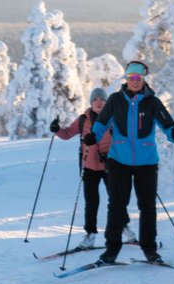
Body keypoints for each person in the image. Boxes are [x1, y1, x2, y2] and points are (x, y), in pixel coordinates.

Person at [83, 60, 174, 264]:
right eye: (131, 78)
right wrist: (94, 136)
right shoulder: (115, 100)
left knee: (147, 206)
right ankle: (111, 251)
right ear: (126, 79)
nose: (135, 81)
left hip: (146, 162)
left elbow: (167, 123)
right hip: (119, 160)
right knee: (117, 206)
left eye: (138, 78)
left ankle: (150, 250)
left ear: (143, 79)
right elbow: (102, 122)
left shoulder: (152, 102)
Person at [50, 87, 133, 250]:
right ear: (91, 102)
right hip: (89, 166)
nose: (99, 102)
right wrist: (56, 129)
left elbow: (126, 138)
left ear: (107, 102)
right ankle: (90, 235)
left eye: (102, 99)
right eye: (95, 99)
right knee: (91, 202)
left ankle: (125, 228)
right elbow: (67, 134)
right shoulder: (83, 119)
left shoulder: (114, 118)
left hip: (111, 165)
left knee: (117, 200)